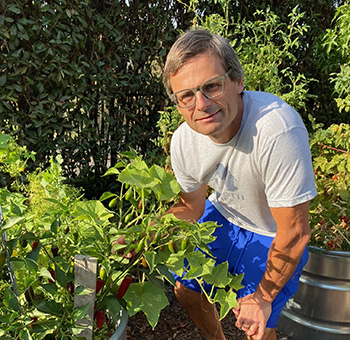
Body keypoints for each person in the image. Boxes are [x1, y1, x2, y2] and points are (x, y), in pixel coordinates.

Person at [161, 29, 317, 340]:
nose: (201, 105)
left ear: (238, 82)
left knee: (256, 328)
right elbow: (193, 206)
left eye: (212, 87)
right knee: (187, 291)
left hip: (273, 233)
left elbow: (295, 231)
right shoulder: (183, 141)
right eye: (186, 96)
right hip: (223, 216)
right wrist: (149, 233)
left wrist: (261, 297)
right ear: (177, 103)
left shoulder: (276, 131)